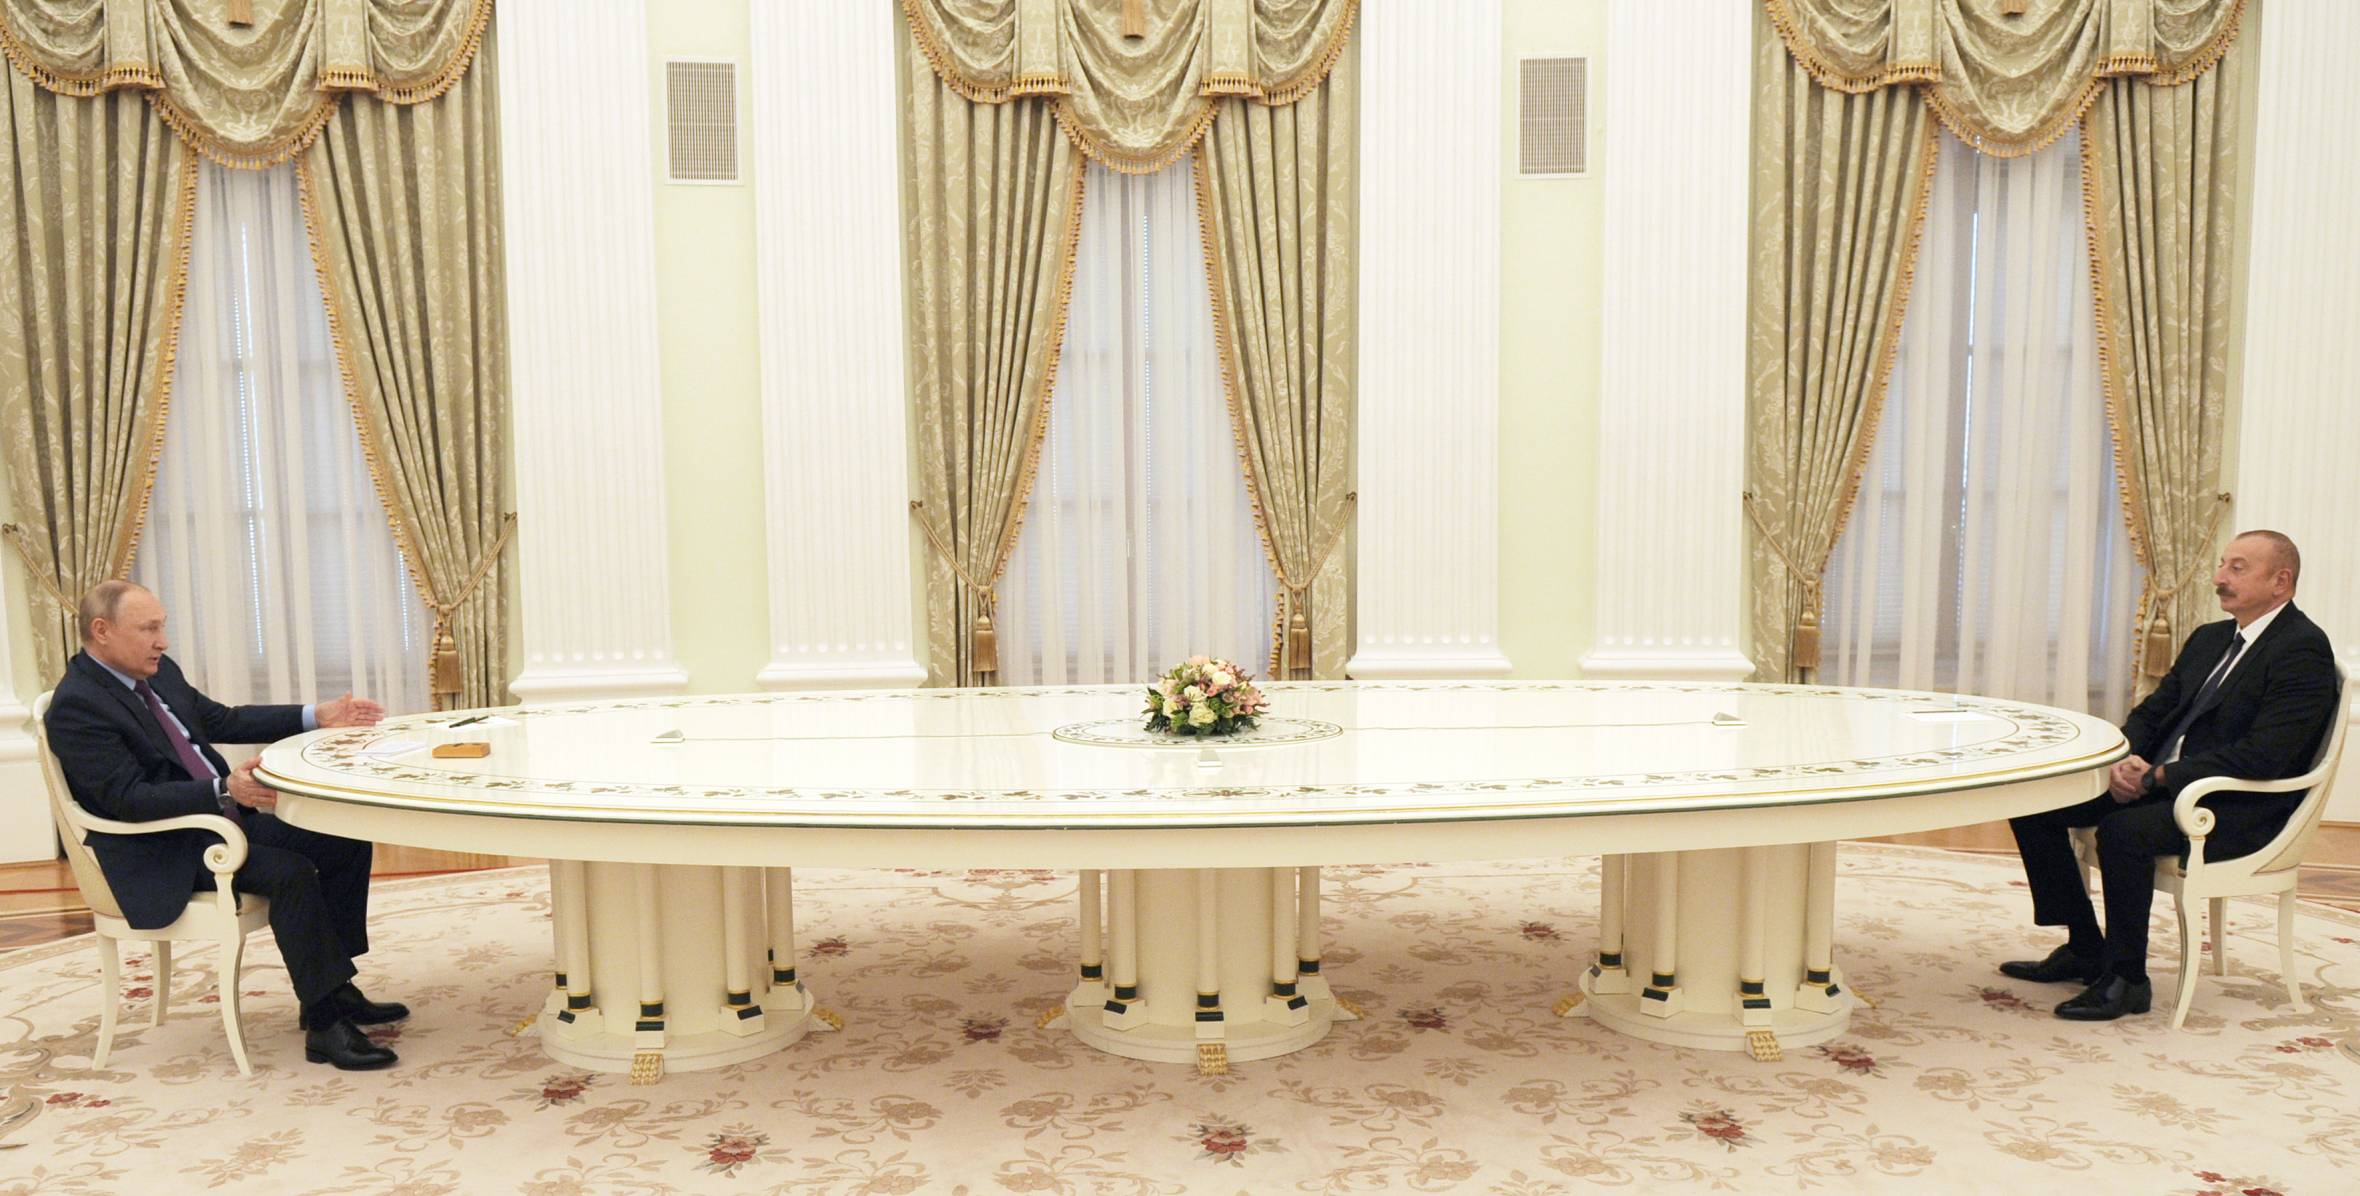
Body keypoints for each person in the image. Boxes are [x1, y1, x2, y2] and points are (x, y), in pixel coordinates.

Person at [44, 580, 409, 1069]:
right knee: (290, 871)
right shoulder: (78, 704)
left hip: (217, 825)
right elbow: (127, 799)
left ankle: (333, 988)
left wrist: (315, 715)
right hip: (164, 848)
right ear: (102, 630)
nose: (162, 641)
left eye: (162, 627)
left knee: (344, 842)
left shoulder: (155, 671)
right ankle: (325, 1025)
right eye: (148, 629)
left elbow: (224, 720)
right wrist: (223, 789)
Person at [2003, 530, 2341, 1020]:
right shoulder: (2211, 637)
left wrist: (2160, 776)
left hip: (2233, 803)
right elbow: (2155, 711)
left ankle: (2127, 980)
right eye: (2222, 564)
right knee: (2036, 805)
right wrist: (2123, 757)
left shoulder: (2301, 649)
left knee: (2123, 831)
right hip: (2167, 782)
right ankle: (2085, 947)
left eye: (2238, 568)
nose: (2219, 577)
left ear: (2280, 582)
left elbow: (2265, 756)